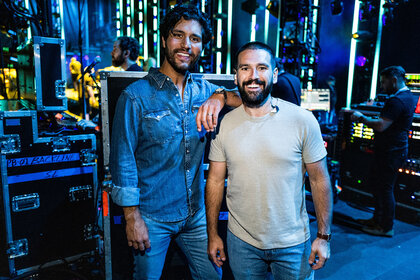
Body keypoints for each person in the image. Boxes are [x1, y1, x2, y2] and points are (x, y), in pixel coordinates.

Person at [110, 5, 241, 279]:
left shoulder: (204, 89)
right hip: (152, 217)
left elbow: (242, 99)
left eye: (195, 39)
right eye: (178, 35)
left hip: (195, 216)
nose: (186, 45)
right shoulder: (135, 97)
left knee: (212, 276)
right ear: (164, 39)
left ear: (202, 46)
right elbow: (123, 160)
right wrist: (132, 218)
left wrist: (219, 96)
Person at [205, 42, 333, 279]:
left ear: (274, 74)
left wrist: (323, 237)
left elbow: (319, 179)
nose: (253, 76)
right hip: (242, 243)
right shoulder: (224, 124)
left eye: (262, 68)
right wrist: (213, 234)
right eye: (245, 68)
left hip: (293, 244)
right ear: (236, 76)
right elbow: (214, 181)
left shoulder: (303, 121)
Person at [351, 66, 415, 237]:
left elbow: (381, 125)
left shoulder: (397, 101)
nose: (382, 86)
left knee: (385, 189)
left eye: (383, 82)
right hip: (395, 150)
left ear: (393, 80)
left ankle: (385, 227)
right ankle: (377, 220)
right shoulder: (409, 96)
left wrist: (361, 118)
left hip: (391, 152)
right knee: (380, 186)